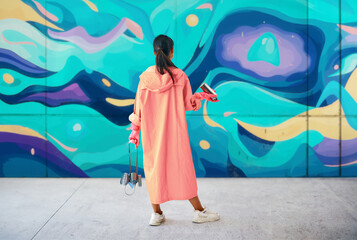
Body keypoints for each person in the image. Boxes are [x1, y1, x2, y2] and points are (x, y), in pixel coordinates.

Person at [128, 34, 220, 226]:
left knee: (154, 171)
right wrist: (203, 95)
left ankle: (156, 213)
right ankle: (199, 211)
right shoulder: (180, 76)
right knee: (183, 169)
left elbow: (139, 107)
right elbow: (189, 103)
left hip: (152, 135)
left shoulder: (145, 79)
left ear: (154, 52)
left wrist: (135, 130)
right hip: (175, 134)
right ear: (172, 52)